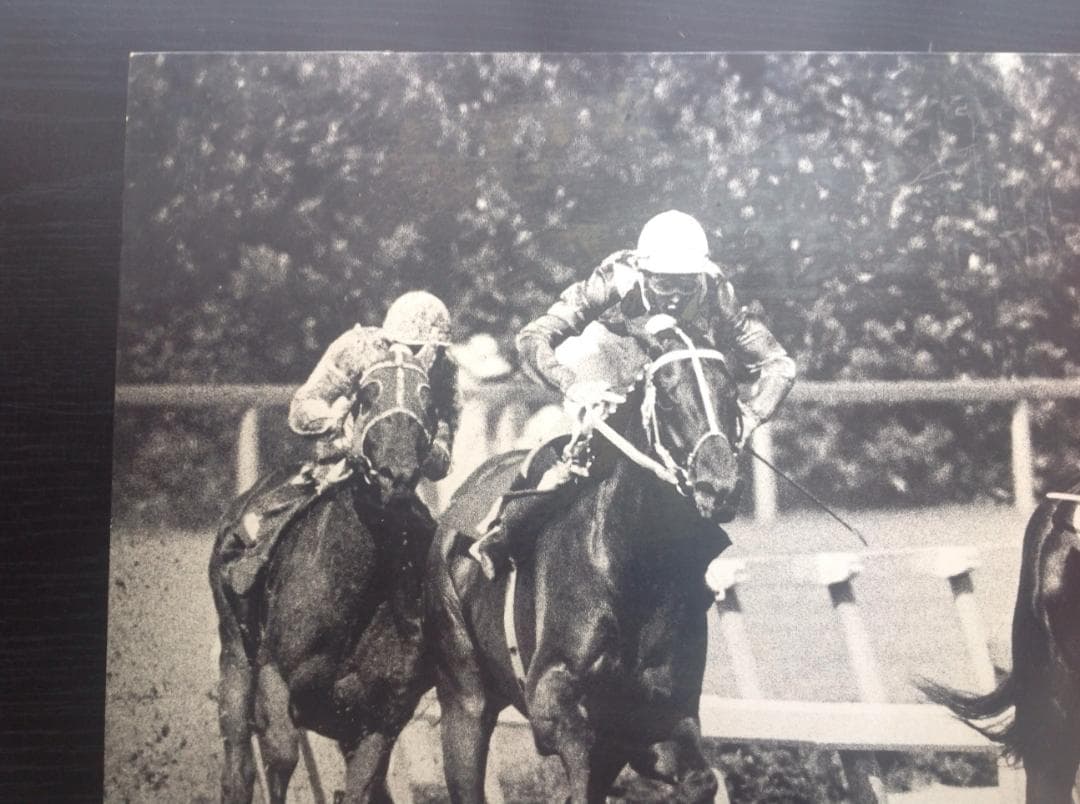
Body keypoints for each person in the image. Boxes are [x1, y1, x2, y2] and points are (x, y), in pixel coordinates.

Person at [468, 210, 797, 579]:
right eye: (664, 283)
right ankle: (503, 528)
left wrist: (750, 416)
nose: (674, 297)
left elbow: (780, 364)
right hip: (603, 353)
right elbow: (532, 337)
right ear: (644, 272)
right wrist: (571, 384)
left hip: (667, 361)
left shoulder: (715, 288)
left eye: (684, 285)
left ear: (699, 275)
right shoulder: (615, 278)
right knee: (575, 437)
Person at [288, 290, 458, 491]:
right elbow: (304, 405)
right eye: (406, 346)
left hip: (397, 480)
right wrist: (333, 424)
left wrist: (426, 449)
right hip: (336, 466)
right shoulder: (358, 347)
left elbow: (444, 441)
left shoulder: (443, 367)